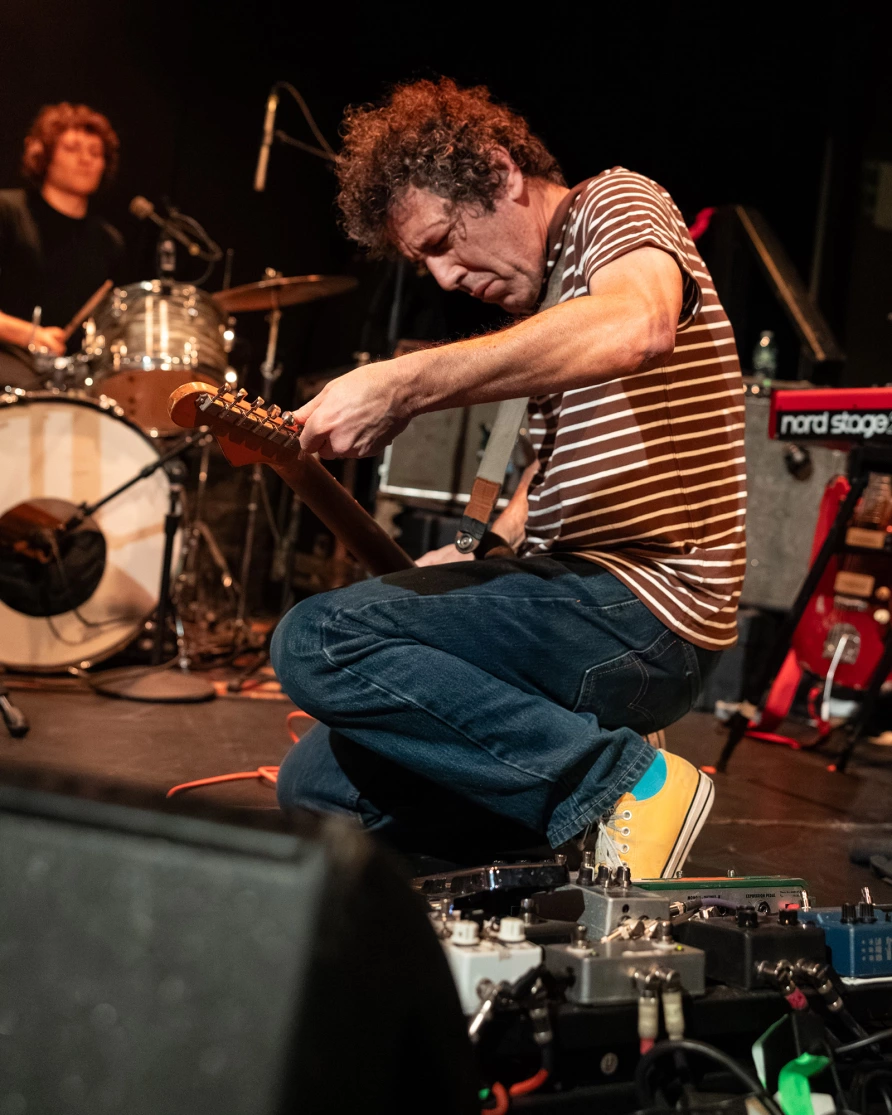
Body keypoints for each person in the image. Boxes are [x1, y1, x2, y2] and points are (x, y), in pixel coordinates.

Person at [271, 79, 746, 877]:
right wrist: (477, 554)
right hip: (584, 598)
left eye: (443, 242)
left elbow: (642, 321)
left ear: (499, 171)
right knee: (318, 785)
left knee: (317, 636)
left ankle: (626, 783)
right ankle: (577, 848)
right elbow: (548, 478)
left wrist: (405, 381)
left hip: (647, 605)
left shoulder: (613, 204)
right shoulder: (558, 294)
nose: (446, 279)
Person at [0, 102, 122, 387]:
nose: (85, 160)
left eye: (95, 153)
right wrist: (30, 335)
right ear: (43, 155)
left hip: (71, 376)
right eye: (72, 149)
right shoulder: (7, 212)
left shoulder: (109, 241)